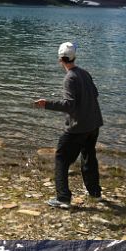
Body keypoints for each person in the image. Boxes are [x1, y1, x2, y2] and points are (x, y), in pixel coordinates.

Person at [34, 42, 104, 209]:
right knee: (89, 157)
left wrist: (47, 104)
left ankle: (63, 198)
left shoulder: (70, 78)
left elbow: (69, 105)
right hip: (93, 124)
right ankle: (95, 193)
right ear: (74, 57)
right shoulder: (84, 73)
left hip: (78, 128)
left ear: (60, 59)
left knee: (61, 158)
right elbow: (95, 93)